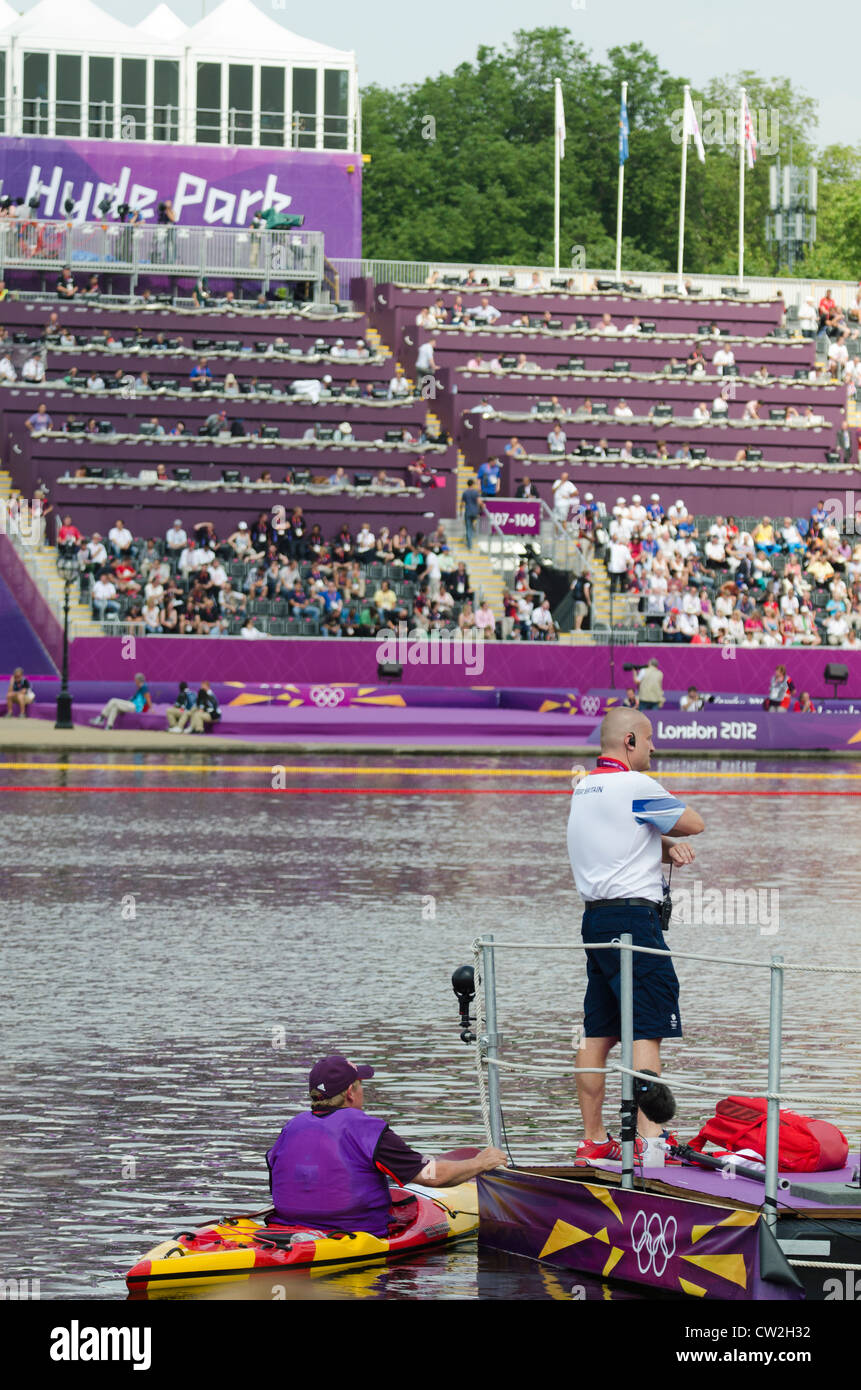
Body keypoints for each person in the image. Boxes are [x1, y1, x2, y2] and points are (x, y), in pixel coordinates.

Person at [567, 708, 705, 1160]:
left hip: (595, 921)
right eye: (648, 740)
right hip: (634, 922)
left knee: (597, 1034)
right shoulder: (637, 787)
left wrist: (662, 845)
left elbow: (619, 836)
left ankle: (593, 1140)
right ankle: (650, 1139)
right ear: (629, 741)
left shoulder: (585, 786)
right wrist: (671, 835)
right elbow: (694, 821)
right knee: (647, 1027)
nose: (653, 748)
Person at [264, 1054, 508, 1236]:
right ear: (350, 1092)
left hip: (286, 1230)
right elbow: (433, 1176)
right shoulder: (367, 1130)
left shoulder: (290, 1128)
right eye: (361, 1086)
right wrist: (480, 1162)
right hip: (353, 1232)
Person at [460, 477, 482, 551]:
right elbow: (479, 502)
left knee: (468, 528)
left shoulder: (465, 492)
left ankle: (469, 544)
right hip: (474, 512)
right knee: (471, 527)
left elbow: (462, 503)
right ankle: (471, 540)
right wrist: (479, 511)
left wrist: (460, 512)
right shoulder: (475, 492)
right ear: (472, 484)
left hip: (468, 512)